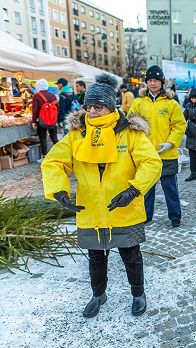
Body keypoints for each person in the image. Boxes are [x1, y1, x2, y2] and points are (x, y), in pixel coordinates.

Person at [41, 73, 162, 318]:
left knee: (131, 254)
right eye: (88, 106)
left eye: (98, 106)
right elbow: (53, 161)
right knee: (96, 257)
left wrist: (134, 189)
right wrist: (59, 189)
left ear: (110, 105)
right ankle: (98, 294)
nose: (92, 111)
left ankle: (138, 293)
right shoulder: (78, 134)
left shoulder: (129, 132)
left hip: (124, 208)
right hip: (91, 210)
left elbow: (151, 163)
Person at [128, 65, 187, 227]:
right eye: (150, 80)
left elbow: (179, 125)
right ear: (146, 82)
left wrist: (171, 142)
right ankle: (146, 215)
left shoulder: (170, 103)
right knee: (146, 188)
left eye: (156, 81)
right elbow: (131, 122)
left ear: (162, 83)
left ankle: (175, 217)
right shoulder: (139, 102)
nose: (153, 84)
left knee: (170, 188)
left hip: (167, 155)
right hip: (146, 155)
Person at [32, 79, 59, 163]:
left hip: (41, 121)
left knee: (43, 139)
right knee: (54, 138)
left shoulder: (37, 96)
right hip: (52, 120)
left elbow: (35, 110)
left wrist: (33, 121)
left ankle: (45, 157)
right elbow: (57, 108)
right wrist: (55, 118)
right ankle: (61, 154)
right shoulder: (53, 95)